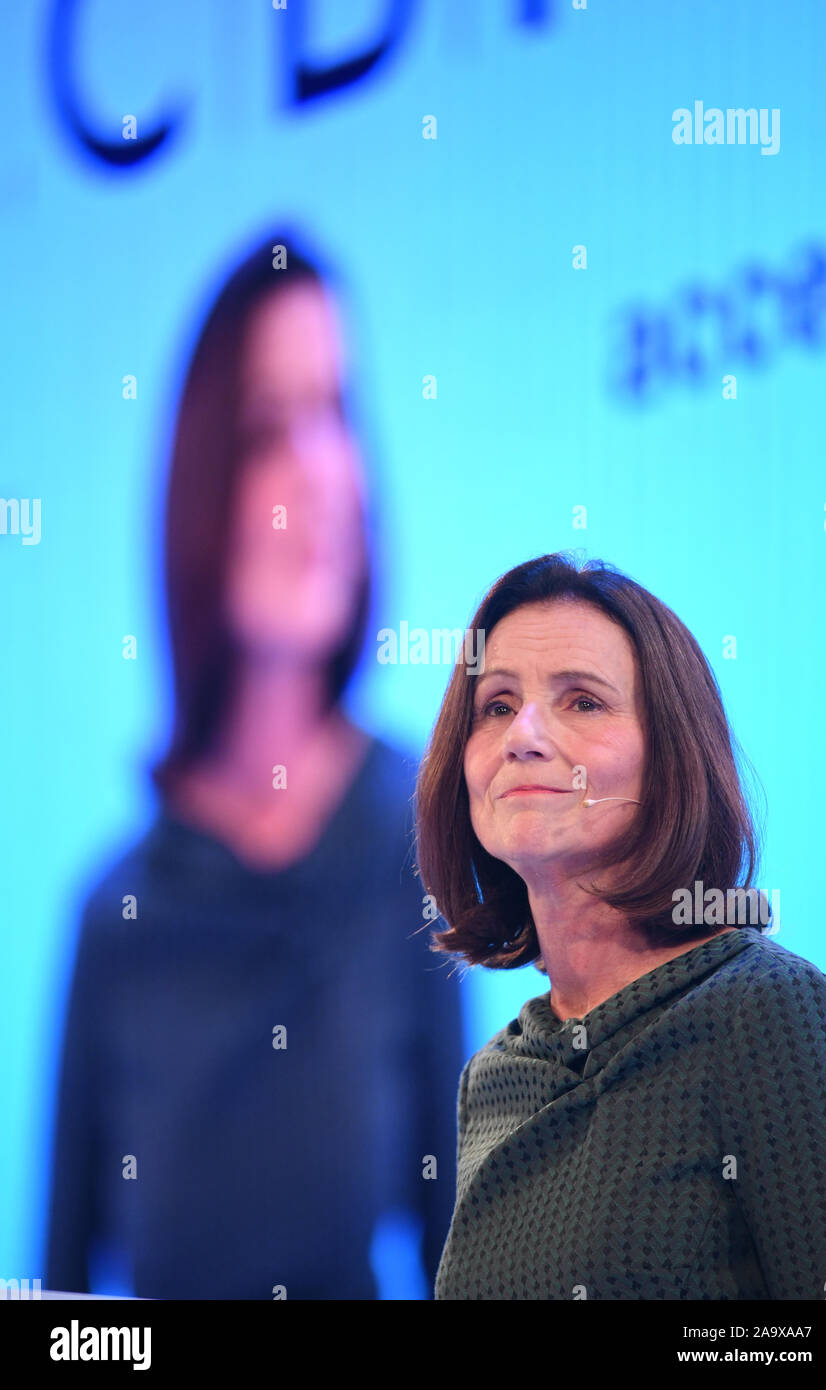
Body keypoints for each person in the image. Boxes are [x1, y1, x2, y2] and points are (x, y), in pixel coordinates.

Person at [44, 231, 464, 1300]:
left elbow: (463, 1252)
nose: (322, 473)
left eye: (336, 414)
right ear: (205, 480)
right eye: (273, 426)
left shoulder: (422, 838)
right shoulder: (114, 913)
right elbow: (64, 1300)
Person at [415, 551, 826, 1300]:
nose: (523, 734)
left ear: (672, 759)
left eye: (582, 702)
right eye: (496, 705)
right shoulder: (492, 1080)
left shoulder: (769, 1016)